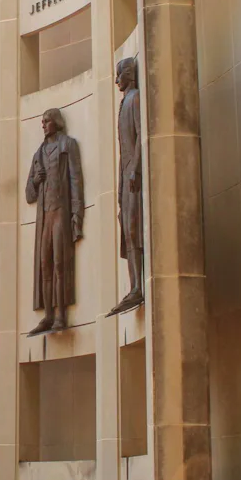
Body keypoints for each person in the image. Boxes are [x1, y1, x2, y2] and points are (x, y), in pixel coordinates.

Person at [25, 108, 84, 335]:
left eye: (47, 121)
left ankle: (61, 315)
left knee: (60, 264)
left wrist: (77, 215)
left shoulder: (67, 146)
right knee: (45, 265)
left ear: (56, 122)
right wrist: (36, 181)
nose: (43, 125)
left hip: (61, 211)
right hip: (45, 216)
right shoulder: (38, 154)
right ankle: (48, 314)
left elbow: (76, 181)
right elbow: (29, 194)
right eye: (42, 121)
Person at [108, 57, 144, 316]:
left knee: (134, 228)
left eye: (118, 74)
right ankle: (134, 287)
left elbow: (141, 133)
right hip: (125, 175)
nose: (116, 79)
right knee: (128, 231)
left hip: (133, 173)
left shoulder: (135, 99)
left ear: (128, 75)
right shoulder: (124, 102)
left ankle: (138, 287)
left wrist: (136, 168)